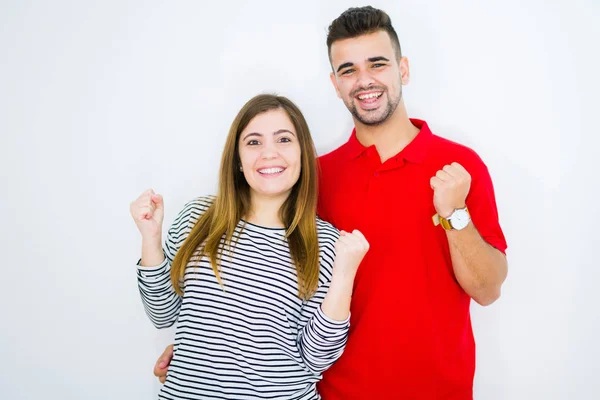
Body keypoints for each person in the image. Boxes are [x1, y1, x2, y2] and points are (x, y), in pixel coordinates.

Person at [154, 6, 508, 399]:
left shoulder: (460, 168)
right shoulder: (311, 180)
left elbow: (488, 290)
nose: (364, 81)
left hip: (438, 390)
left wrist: (454, 213)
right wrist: (201, 352)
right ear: (335, 84)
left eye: (378, 64)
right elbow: (268, 284)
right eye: (348, 70)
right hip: (336, 391)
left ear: (403, 69)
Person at [131, 94, 369, 399]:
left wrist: (345, 274)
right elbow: (163, 314)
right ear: (238, 160)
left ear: (303, 153)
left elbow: (316, 358)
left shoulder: (326, 244)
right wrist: (150, 237)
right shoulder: (196, 219)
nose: (268, 154)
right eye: (254, 142)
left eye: (283, 139)